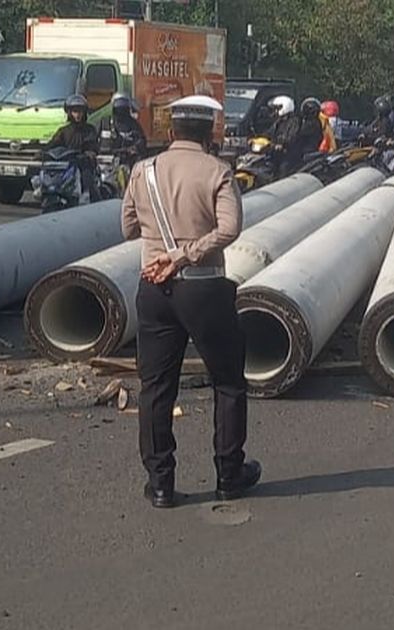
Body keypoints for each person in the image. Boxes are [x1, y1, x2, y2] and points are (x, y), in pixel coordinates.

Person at [120, 95, 260, 509]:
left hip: (153, 290)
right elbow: (231, 229)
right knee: (229, 382)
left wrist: (160, 245)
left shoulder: (143, 172)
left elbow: (127, 226)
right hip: (204, 288)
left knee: (156, 387)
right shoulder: (218, 171)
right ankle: (229, 474)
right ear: (210, 133)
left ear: (170, 131)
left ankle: (161, 483)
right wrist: (186, 252)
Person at [48, 94, 101, 201]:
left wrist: (88, 152)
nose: (77, 114)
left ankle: (91, 200)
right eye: (74, 111)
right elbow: (53, 144)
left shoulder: (90, 130)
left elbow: (92, 145)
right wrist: (43, 152)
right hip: (65, 167)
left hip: (83, 166)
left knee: (89, 186)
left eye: (80, 111)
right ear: (69, 113)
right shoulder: (63, 131)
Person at [99, 94, 147, 165]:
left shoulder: (133, 124)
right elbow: (93, 141)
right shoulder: (106, 122)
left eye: (123, 108)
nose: (121, 112)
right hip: (108, 163)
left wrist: (134, 148)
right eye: (118, 108)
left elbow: (141, 140)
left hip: (128, 161)